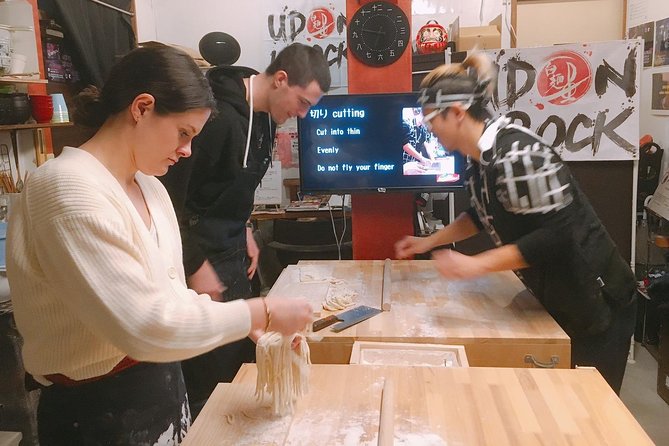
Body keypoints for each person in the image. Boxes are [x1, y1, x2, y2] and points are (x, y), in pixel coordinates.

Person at [6, 44, 313, 445]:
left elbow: (170, 299)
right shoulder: (67, 189)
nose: (187, 151)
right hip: (94, 412)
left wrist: (252, 327)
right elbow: (144, 326)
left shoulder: (151, 188)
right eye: (183, 133)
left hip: (163, 388)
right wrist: (262, 311)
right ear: (142, 108)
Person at [394, 52, 637, 394]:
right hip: (556, 293)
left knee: (590, 410)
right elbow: (480, 215)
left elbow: (556, 237)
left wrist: (474, 265)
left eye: (431, 118)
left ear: (457, 113)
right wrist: (428, 242)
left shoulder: (516, 155)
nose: (428, 127)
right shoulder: (479, 158)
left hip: (597, 301)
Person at [158, 42, 330, 416]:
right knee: (210, 378)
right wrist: (194, 266)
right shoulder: (215, 119)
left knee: (242, 362)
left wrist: (247, 228)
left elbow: (230, 186)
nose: (301, 114)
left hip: (234, 250)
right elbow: (168, 202)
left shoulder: (266, 116)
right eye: (302, 103)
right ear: (281, 79)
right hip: (197, 260)